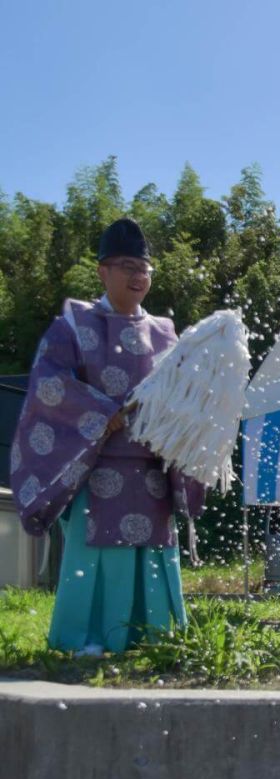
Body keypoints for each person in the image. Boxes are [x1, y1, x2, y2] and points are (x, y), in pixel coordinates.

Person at [10, 218, 205, 656]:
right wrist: (101, 412)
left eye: (145, 268)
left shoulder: (165, 333)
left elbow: (181, 395)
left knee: (153, 560)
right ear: (102, 271)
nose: (139, 276)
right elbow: (47, 383)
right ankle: (85, 641)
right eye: (128, 266)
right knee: (95, 559)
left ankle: (158, 639)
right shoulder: (75, 324)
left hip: (153, 470)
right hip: (99, 470)